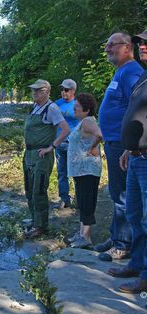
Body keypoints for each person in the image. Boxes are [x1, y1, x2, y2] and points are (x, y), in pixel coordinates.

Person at [95, 32, 144, 261]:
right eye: (106, 45)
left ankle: (123, 244)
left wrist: (128, 144)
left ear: (126, 47)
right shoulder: (121, 72)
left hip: (123, 144)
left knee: (123, 194)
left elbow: (136, 109)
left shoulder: (132, 72)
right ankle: (116, 236)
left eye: (112, 45)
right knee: (116, 192)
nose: (107, 49)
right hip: (114, 142)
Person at [107, 30, 147, 294]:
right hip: (134, 155)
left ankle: (145, 276)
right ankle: (137, 263)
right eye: (142, 41)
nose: (142, 45)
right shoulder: (143, 76)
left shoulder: (134, 72)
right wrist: (128, 148)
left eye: (146, 42)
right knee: (134, 214)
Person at [23, 79, 70, 238]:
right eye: (33, 90)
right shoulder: (35, 107)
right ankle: (34, 220)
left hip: (42, 156)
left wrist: (52, 147)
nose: (34, 93)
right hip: (29, 154)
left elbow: (65, 130)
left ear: (46, 92)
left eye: (37, 90)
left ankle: (41, 226)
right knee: (29, 190)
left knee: (39, 190)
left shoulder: (52, 108)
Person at [67, 93, 102, 248]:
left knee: (87, 202)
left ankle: (86, 237)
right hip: (80, 170)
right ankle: (81, 234)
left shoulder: (87, 121)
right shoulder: (82, 122)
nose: (74, 108)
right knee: (82, 202)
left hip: (88, 169)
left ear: (86, 110)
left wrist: (93, 147)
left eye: (77, 106)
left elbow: (99, 134)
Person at [54, 79, 79, 209]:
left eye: (66, 90)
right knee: (61, 172)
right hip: (59, 143)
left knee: (76, 171)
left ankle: (79, 198)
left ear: (73, 91)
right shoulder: (57, 104)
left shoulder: (78, 104)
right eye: (62, 89)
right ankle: (64, 198)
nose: (63, 92)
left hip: (74, 144)